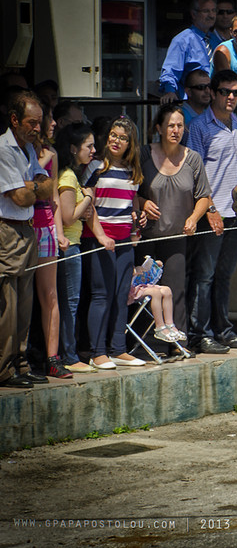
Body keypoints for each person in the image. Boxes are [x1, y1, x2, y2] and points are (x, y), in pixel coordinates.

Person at [186, 70, 237, 353]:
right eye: (225, 91)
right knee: (204, 276)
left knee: (224, 275)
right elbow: (194, 173)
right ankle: (198, 334)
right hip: (211, 214)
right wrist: (210, 209)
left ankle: (223, 330)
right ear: (213, 93)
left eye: (235, 92)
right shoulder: (199, 127)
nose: (230, 97)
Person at [139, 103, 211, 356]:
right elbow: (131, 191)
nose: (176, 130)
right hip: (145, 237)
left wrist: (193, 217)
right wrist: (142, 202)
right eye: (170, 125)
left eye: (180, 125)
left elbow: (203, 195)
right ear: (159, 127)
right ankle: (135, 344)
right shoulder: (144, 155)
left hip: (177, 237)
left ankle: (177, 345)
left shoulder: (193, 158)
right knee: (141, 292)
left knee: (176, 291)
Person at [82, 116, 146, 369]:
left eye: (123, 137)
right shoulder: (95, 167)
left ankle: (118, 349)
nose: (116, 141)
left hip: (124, 242)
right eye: (113, 135)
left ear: (131, 143)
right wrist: (100, 236)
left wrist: (135, 230)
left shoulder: (134, 171)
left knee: (121, 295)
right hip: (99, 239)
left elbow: (134, 204)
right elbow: (89, 207)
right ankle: (97, 352)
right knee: (101, 294)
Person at [0, 91, 53, 388]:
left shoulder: (29, 149)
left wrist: (34, 185)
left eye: (40, 123)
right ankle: (4, 368)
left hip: (27, 229)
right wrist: (36, 186)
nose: (37, 128)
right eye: (32, 123)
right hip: (7, 229)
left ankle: (20, 363)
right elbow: (20, 198)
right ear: (15, 120)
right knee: (8, 302)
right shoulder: (4, 149)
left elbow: (47, 186)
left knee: (25, 302)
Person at [28, 103, 70, 378]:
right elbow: (25, 177)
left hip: (44, 227)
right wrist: (39, 158)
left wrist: (59, 232)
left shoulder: (51, 154)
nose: (53, 123)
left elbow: (54, 199)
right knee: (19, 297)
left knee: (49, 294)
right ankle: (19, 358)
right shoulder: (19, 153)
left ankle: (52, 358)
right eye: (48, 119)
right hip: (20, 226)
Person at [54, 123, 96, 373]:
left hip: (73, 245)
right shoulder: (68, 176)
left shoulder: (72, 174)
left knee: (70, 302)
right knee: (69, 303)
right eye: (88, 146)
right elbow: (69, 217)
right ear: (73, 148)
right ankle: (69, 356)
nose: (93, 150)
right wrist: (89, 197)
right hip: (69, 246)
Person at [159, 0, 217, 105]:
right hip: (191, 104)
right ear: (194, 14)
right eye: (206, 11)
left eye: (214, 10)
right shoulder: (182, 40)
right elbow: (170, 71)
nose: (211, 15)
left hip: (213, 104)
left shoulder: (216, 41)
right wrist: (170, 91)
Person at [129, 257, 187, 343]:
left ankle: (169, 325)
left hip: (141, 285)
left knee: (167, 290)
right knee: (155, 293)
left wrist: (153, 266)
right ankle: (159, 327)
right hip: (130, 290)